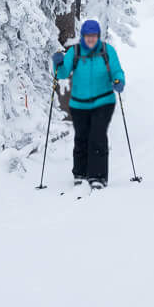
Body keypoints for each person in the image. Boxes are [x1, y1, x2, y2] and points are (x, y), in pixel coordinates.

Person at [52, 19, 124, 189]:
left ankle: (98, 177)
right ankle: (80, 173)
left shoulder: (107, 51)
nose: (90, 39)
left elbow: (117, 71)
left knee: (97, 137)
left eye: (93, 36)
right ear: (83, 36)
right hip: (79, 104)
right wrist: (57, 63)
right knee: (81, 138)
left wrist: (119, 81)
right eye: (87, 36)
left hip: (103, 101)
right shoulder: (74, 52)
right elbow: (62, 74)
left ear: (97, 36)